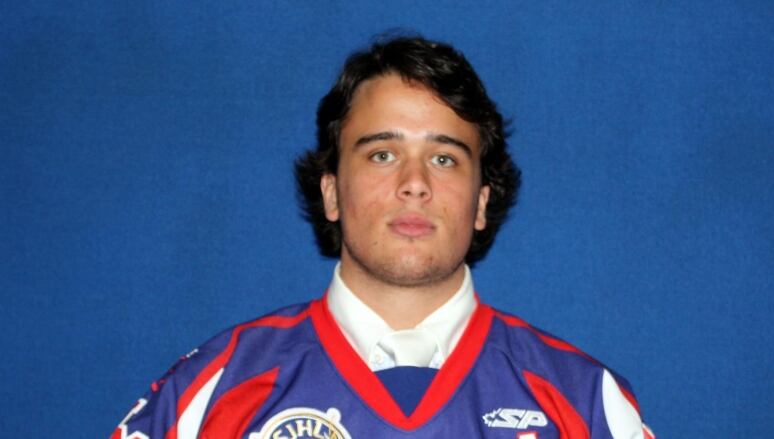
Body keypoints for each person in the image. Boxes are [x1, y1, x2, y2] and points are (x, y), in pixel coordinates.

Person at [111, 36, 654, 439]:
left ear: (482, 201)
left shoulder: (585, 403)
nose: (414, 184)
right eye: (382, 155)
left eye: (444, 158)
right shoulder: (212, 391)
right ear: (331, 193)